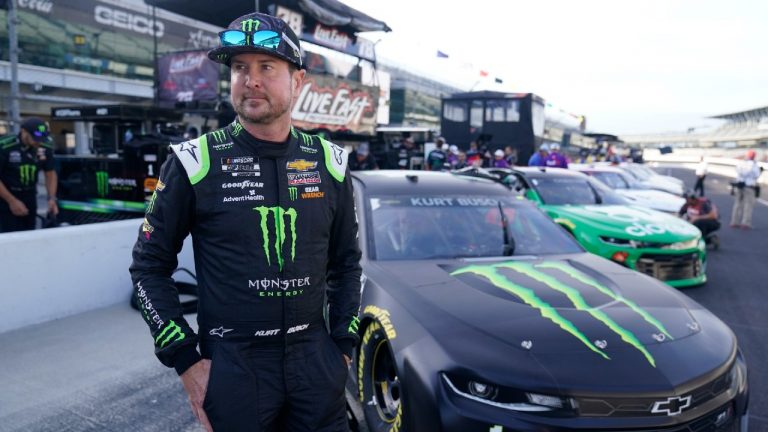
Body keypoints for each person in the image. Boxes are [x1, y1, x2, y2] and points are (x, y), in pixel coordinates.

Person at [129, 12, 362, 432]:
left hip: (316, 365)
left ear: (299, 81)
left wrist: (342, 346)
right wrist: (185, 360)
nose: (250, 80)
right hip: (235, 368)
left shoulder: (330, 162)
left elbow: (347, 264)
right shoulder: (194, 161)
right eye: (240, 68)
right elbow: (148, 267)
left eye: (266, 67)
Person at [0, 117, 59, 232]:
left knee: (29, 232)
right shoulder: (5, 146)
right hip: (5, 196)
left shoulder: (45, 147)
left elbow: (50, 173)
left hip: (30, 195)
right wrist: (12, 201)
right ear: (23, 131)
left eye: (42, 138)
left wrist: (52, 198)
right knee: (9, 236)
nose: (39, 141)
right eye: (36, 138)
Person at [730, 149, 761, 229]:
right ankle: (745, 223)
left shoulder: (741, 163)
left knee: (737, 204)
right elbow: (756, 175)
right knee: (748, 205)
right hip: (749, 187)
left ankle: (734, 221)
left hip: (739, 185)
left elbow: (737, 170)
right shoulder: (754, 165)